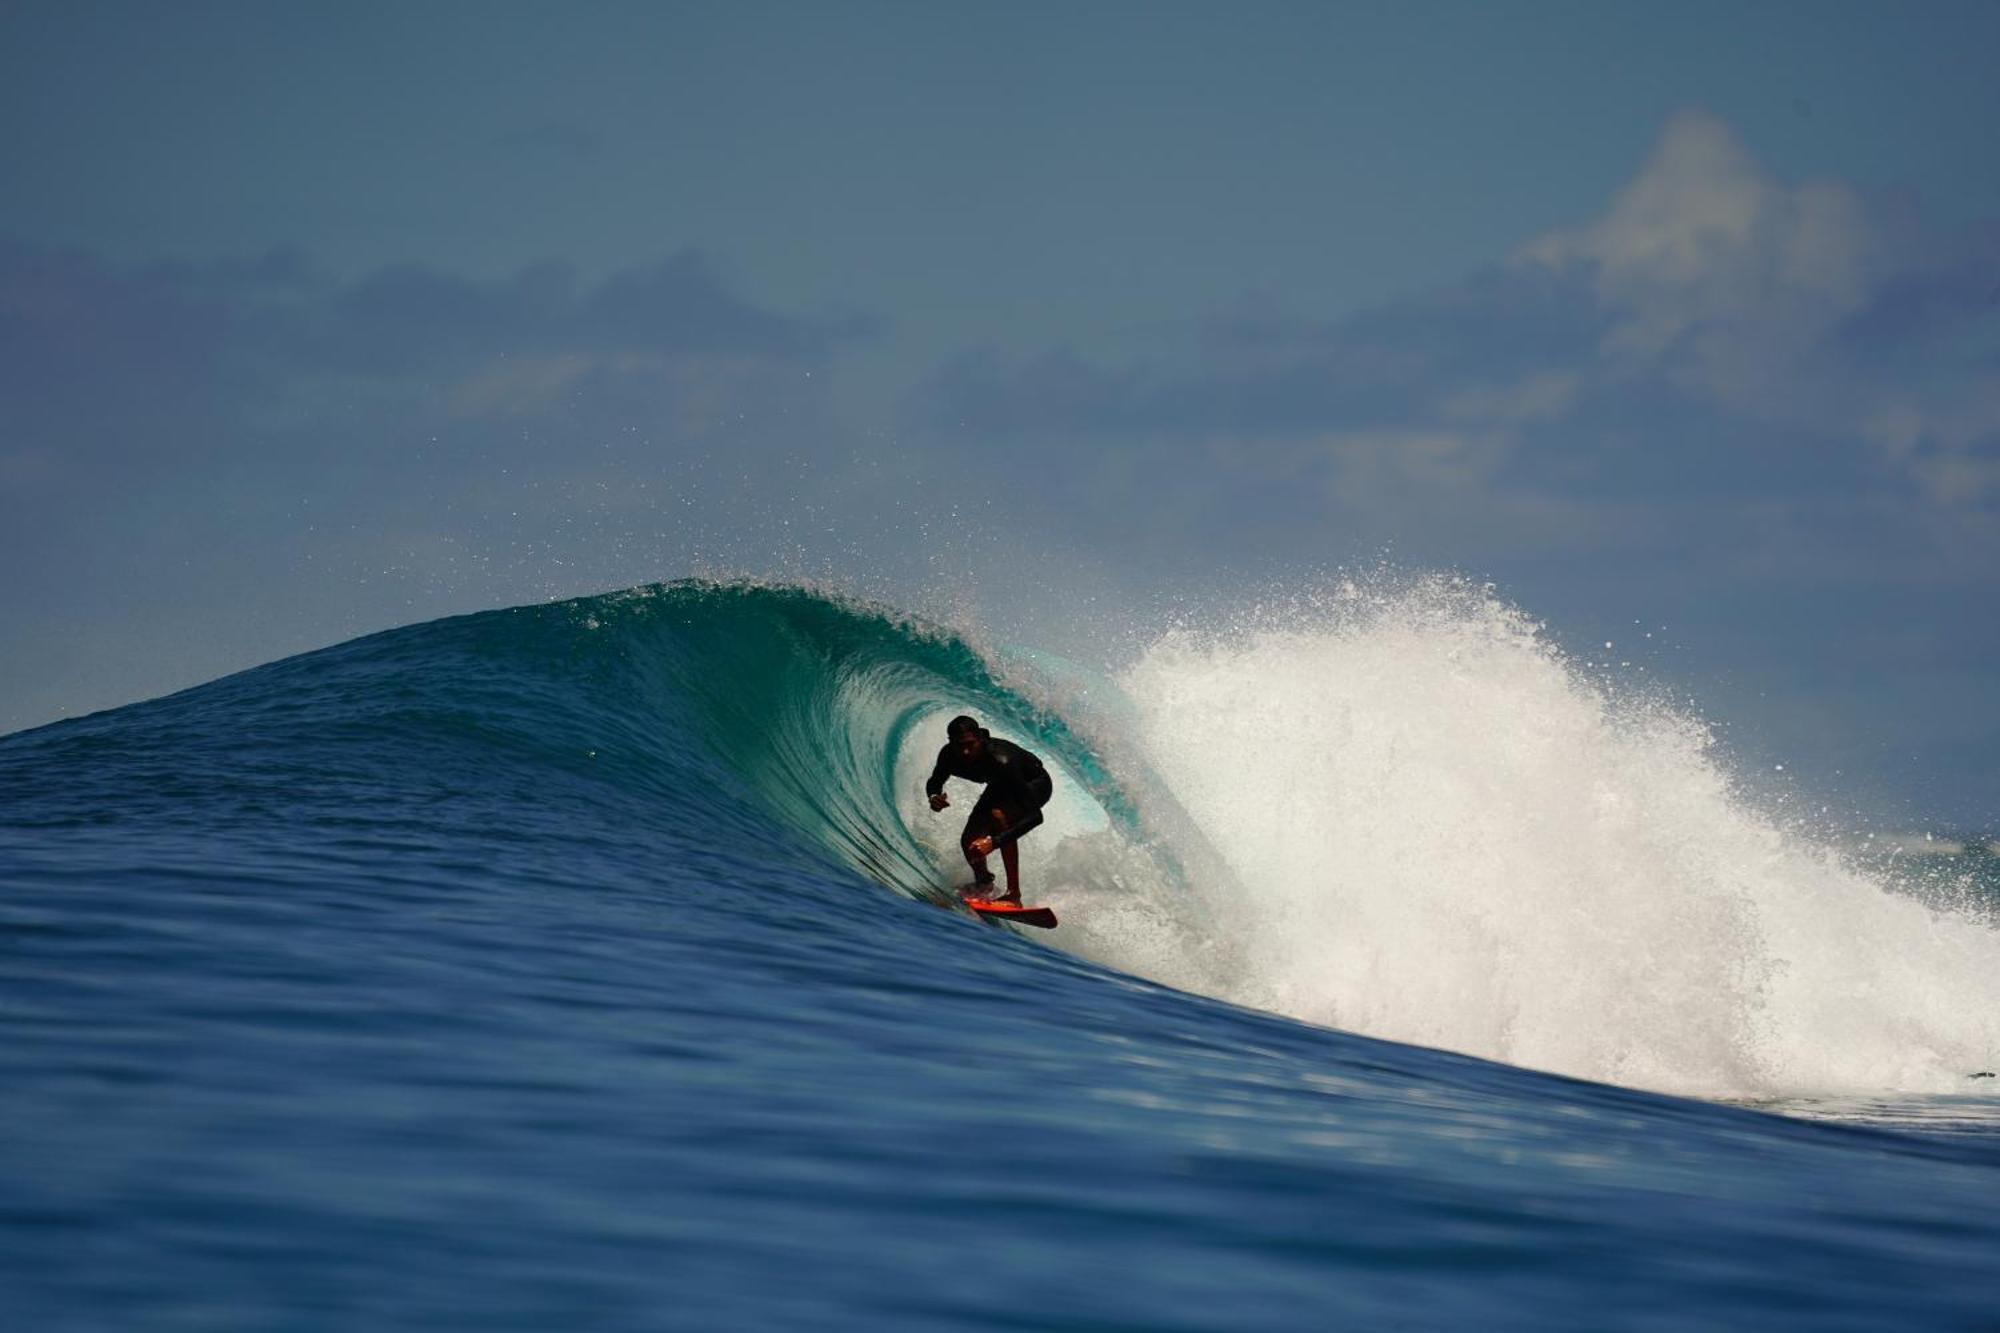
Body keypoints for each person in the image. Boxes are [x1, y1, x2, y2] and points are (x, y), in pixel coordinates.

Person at [925, 714, 1052, 903]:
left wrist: (994, 842)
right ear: (951, 743)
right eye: (960, 746)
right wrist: (934, 797)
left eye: (970, 744)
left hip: (1033, 784)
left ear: (980, 739)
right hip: (1000, 784)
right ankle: (983, 883)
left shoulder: (1001, 760)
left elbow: (1035, 817)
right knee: (969, 839)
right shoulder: (949, 755)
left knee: (998, 816)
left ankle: (1014, 894)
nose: (966, 752)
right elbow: (935, 782)